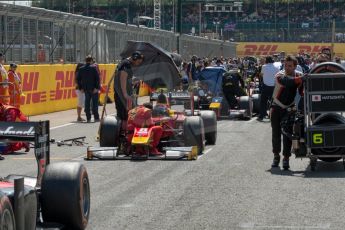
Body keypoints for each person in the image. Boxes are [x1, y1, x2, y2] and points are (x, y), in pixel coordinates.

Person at [270, 55, 304, 170]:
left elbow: (302, 91)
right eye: (286, 65)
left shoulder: (298, 75)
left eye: (290, 66)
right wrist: (302, 79)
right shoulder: (279, 75)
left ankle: (286, 158)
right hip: (276, 107)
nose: (287, 68)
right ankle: (276, 156)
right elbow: (287, 82)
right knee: (276, 133)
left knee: (288, 134)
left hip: (290, 108)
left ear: (295, 66)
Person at [114, 51, 144, 131]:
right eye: (138, 61)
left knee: (127, 114)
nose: (138, 64)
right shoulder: (126, 64)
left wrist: (134, 81)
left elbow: (126, 80)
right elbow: (122, 78)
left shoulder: (125, 63)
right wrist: (125, 94)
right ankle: (124, 133)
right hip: (122, 95)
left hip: (123, 94)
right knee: (124, 116)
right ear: (134, 58)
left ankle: (124, 132)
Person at [77, 55, 100, 123]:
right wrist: (97, 88)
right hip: (93, 89)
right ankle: (96, 118)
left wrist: (81, 88)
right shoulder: (94, 68)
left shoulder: (81, 69)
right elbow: (97, 78)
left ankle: (88, 118)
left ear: (85, 61)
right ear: (91, 61)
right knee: (95, 104)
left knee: (87, 104)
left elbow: (78, 79)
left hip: (86, 89)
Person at [257, 56, 280, 121]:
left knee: (263, 101)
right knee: (274, 102)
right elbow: (278, 76)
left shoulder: (264, 66)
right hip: (274, 86)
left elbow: (261, 75)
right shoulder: (276, 67)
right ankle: (273, 115)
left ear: (266, 60)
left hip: (265, 86)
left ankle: (262, 116)